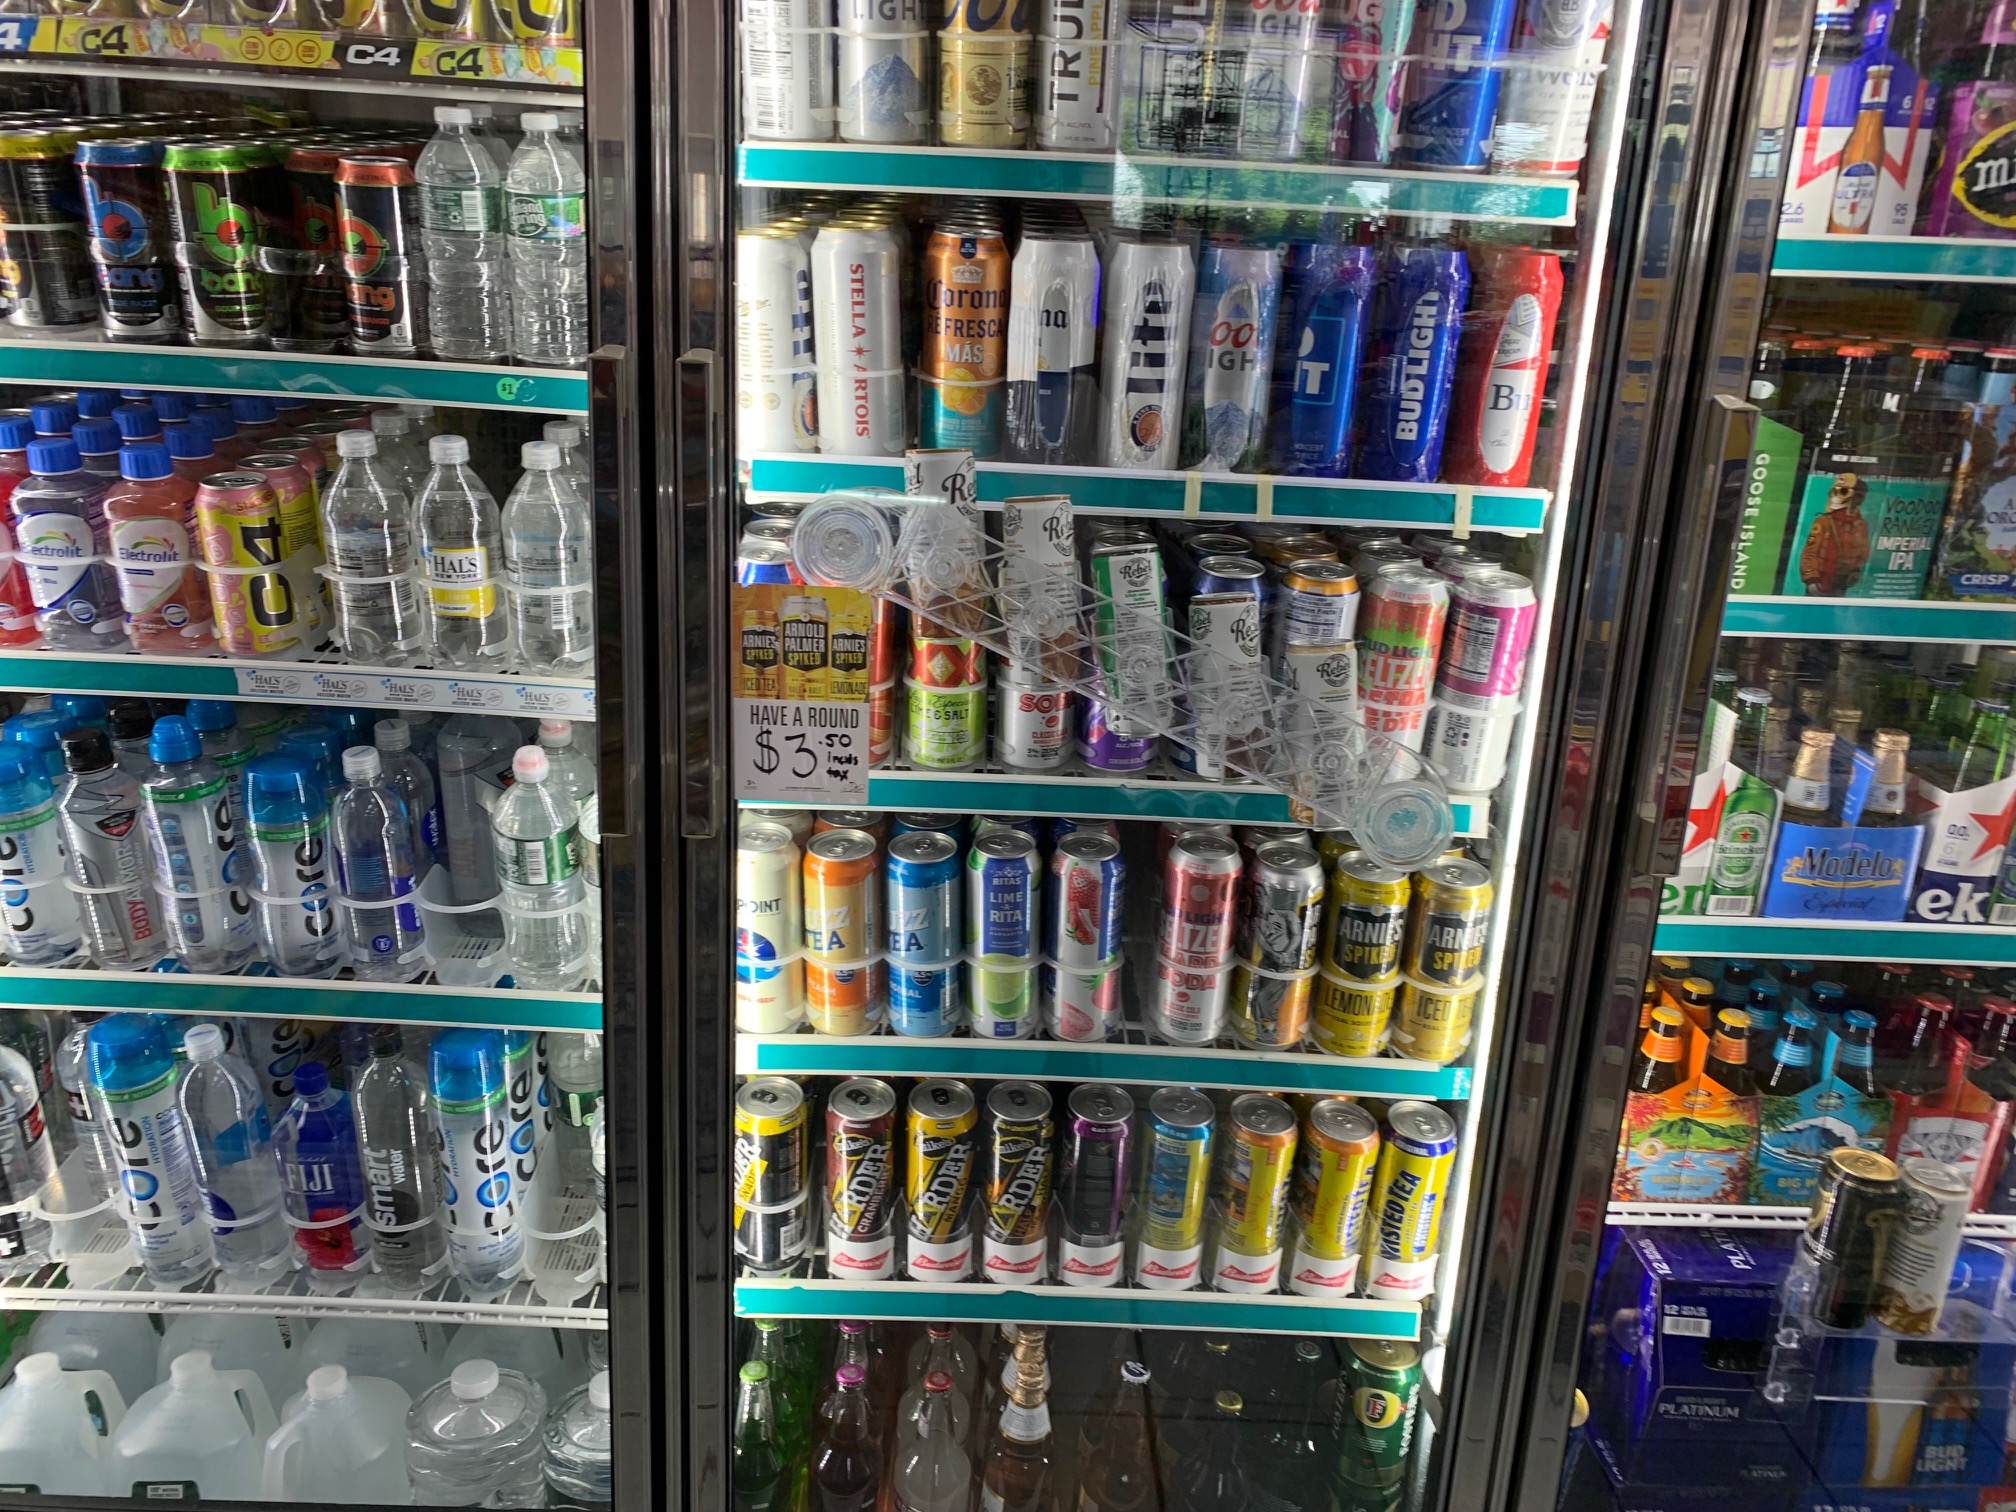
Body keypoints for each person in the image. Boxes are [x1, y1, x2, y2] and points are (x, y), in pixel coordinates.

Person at [1800, 472, 1871, 594]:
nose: (1835, 496)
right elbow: (1809, 553)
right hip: (1819, 582)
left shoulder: (1860, 525)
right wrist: (1811, 578)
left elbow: (1863, 553)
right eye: (1834, 491)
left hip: (1840, 583)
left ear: (1857, 498)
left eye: (1843, 492)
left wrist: (1855, 570)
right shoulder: (1824, 522)